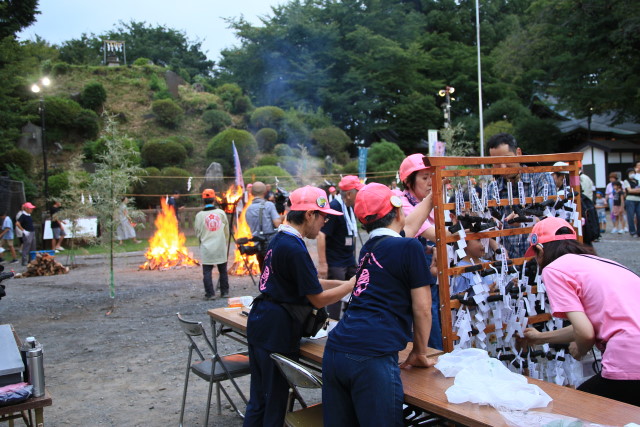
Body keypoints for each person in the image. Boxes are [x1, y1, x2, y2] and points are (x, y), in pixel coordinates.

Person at [322, 183, 435, 426]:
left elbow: (410, 227)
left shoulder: (369, 249)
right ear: (397, 211)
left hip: (336, 349)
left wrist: (434, 197)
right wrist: (419, 351)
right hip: (372, 355)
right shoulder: (408, 247)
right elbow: (423, 308)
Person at [243, 186, 355, 427]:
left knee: (259, 400)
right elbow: (317, 298)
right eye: (323, 216)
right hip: (276, 329)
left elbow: (308, 281)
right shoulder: (293, 247)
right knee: (274, 403)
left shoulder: (281, 239)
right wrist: (352, 286)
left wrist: (344, 283)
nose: (325, 222)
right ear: (309, 215)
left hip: (261, 321)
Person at [522, 217, 640, 406]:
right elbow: (589, 325)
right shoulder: (601, 263)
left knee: (577, 409)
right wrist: (540, 338)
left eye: (535, 254)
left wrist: (580, 347)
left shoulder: (554, 270)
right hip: (632, 353)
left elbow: (585, 333)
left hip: (629, 360)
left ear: (541, 250)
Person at [487, 133, 557, 258]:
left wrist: (526, 220)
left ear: (518, 153)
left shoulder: (541, 178)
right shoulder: (493, 187)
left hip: (541, 257)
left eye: (507, 159)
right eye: (496, 163)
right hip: (508, 262)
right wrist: (497, 248)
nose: (502, 167)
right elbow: (490, 226)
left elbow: (550, 216)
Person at [398, 153, 441, 349]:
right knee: (425, 315)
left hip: (424, 267)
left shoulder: (424, 200)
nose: (430, 182)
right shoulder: (403, 202)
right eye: (424, 178)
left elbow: (429, 239)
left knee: (431, 314)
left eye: (432, 176)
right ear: (409, 181)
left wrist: (434, 249)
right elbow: (434, 233)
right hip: (409, 272)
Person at [317, 175, 362, 319]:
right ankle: (331, 326)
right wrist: (323, 264)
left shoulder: (348, 207)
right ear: (349, 194)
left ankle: (350, 322)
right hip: (336, 261)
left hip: (348, 259)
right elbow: (321, 235)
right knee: (335, 296)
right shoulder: (335, 207)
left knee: (356, 290)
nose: (360, 196)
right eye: (358, 192)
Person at [194, 189, 230, 300]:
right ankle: (224, 292)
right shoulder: (220, 213)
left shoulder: (199, 215)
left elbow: (197, 232)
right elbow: (226, 231)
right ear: (214, 199)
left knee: (207, 272)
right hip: (220, 246)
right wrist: (224, 241)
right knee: (223, 270)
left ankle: (210, 294)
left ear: (203, 200)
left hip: (207, 247)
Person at [245, 181, 281, 271]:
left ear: (251, 192)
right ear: (265, 192)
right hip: (271, 243)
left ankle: (263, 285)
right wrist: (283, 217)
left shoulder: (248, 209)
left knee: (263, 271)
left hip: (258, 244)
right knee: (274, 271)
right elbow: (277, 223)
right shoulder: (269, 205)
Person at [623, 167, 640, 237]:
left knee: (639, 216)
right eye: (630, 173)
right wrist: (636, 190)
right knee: (631, 216)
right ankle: (632, 231)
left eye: (633, 173)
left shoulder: (637, 181)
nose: (632, 174)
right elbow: (629, 190)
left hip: (638, 199)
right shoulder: (626, 181)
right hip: (630, 199)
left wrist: (634, 190)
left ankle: (639, 231)